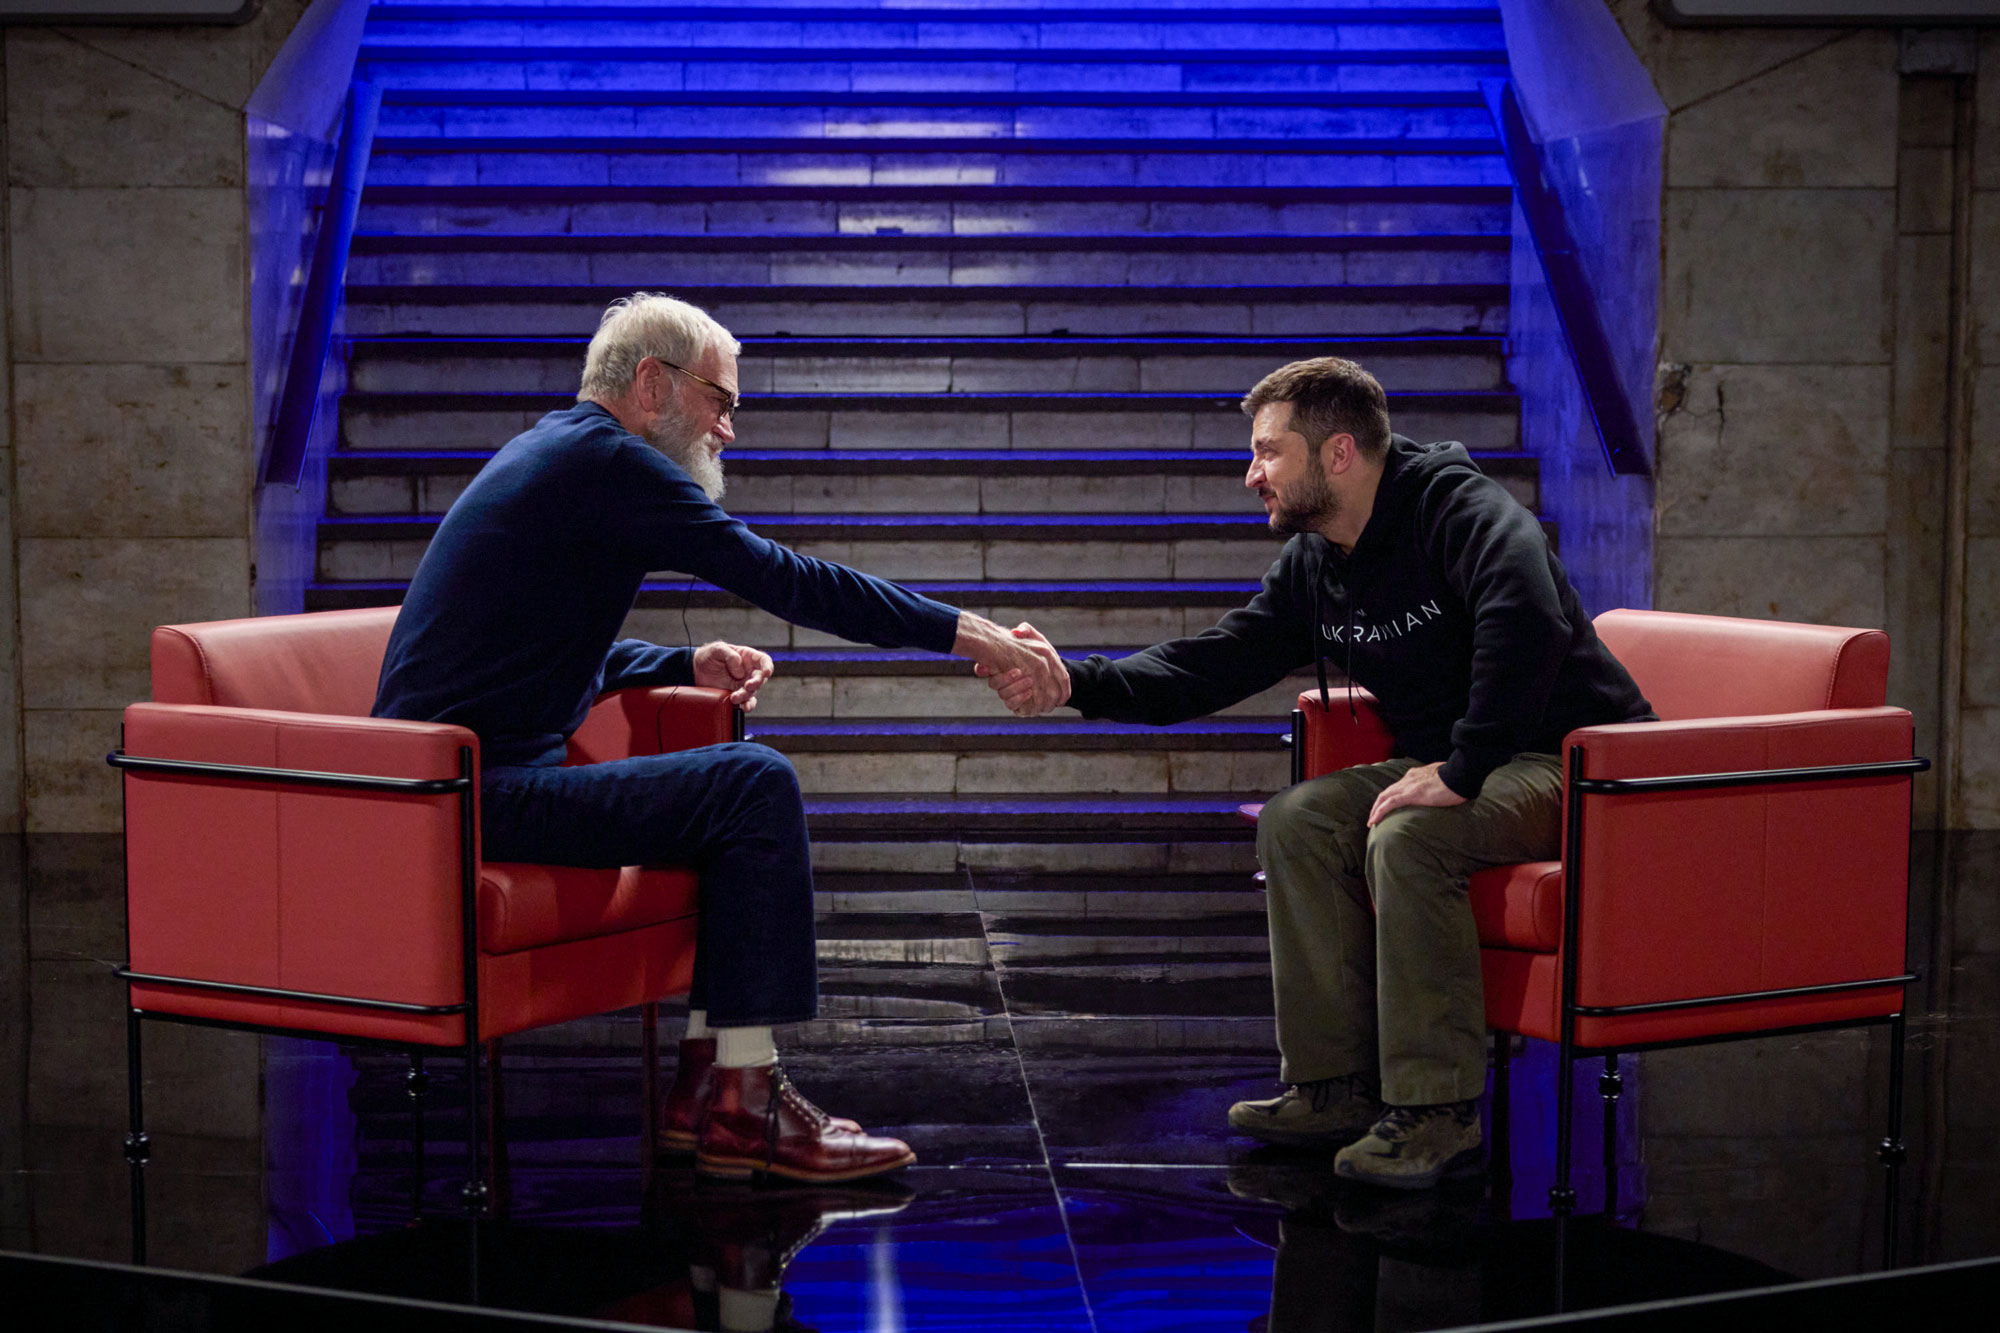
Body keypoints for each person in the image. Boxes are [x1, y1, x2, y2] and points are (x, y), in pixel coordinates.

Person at [374, 292, 1069, 1184]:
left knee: (730, 794)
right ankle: (749, 1100)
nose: (730, 429)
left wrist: (679, 658)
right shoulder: (607, 462)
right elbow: (783, 576)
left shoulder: (561, 450)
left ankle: (708, 1084)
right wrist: (970, 631)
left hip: (471, 785)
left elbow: (522, 644)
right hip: (482, 797)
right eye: (722, 400)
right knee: (750, 784)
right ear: (653, 383)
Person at [981, 357, 1653, 1190]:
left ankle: (1438, 1110)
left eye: (1268, 452)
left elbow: (1530, 614)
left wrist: (1464, 765)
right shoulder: (1319, 561)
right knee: (1297, 819)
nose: (1251, 472)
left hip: (1575, 763)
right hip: (1466, 761)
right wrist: (1074, 680)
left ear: (1338, 453)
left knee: (1413, 834)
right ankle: (1334, 1086)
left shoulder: (1459, 507)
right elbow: (1212, 663)